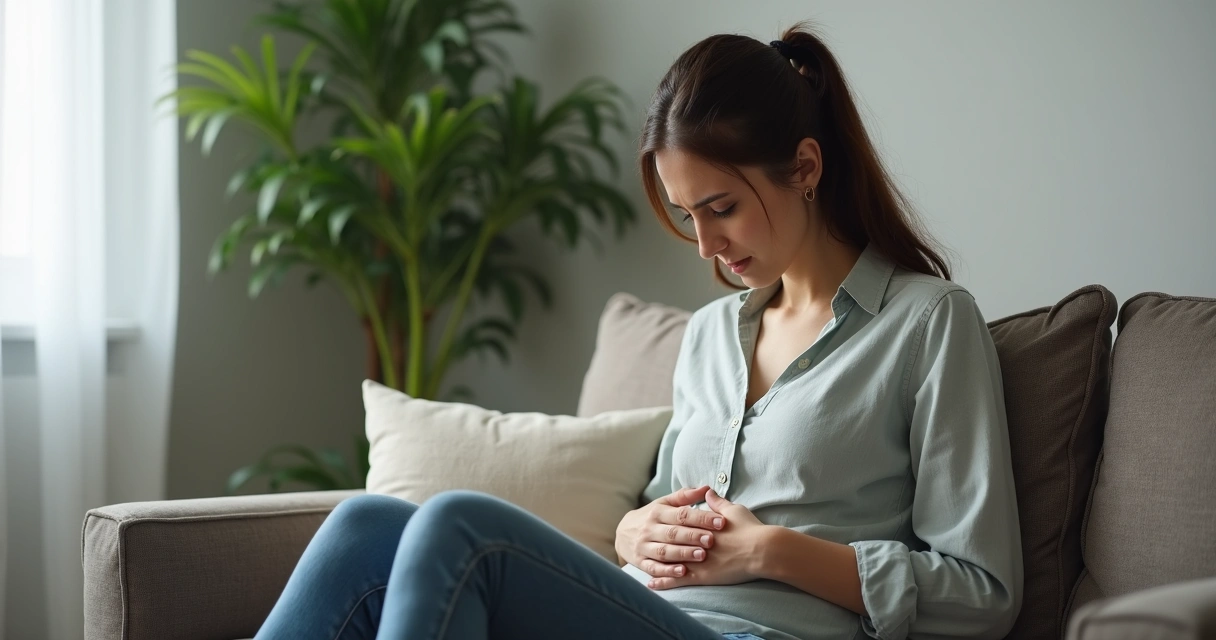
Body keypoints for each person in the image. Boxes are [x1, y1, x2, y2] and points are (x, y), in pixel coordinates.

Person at [253, 21, 1023, 640]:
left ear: (806, 167)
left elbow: (985, 594)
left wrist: (775, 553)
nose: (705, 246)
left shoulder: (926, 323)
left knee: (465, 526)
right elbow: (660, 511)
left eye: (721, 207)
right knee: (362, 528)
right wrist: (629, 533)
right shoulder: (712, 334)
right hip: (640, 613)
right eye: (688, 217)